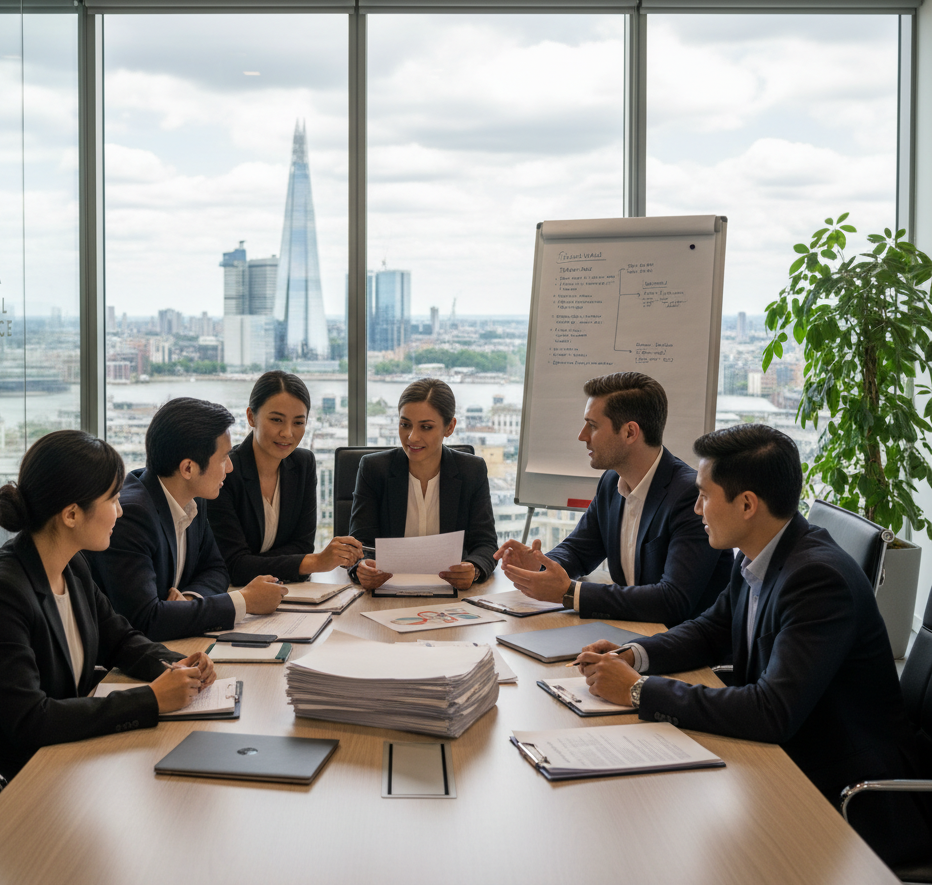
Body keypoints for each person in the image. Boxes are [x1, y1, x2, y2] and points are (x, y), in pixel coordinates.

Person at [577, 423, 932, 868]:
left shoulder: (817, 580)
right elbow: (710, 630)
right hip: (790, 760)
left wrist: (637, 690)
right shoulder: (758, 552)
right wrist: (634, 655)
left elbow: (770, 712)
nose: (696, 507)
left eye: (704, 495)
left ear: (747, 504)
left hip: (852, 797)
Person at [0, 430, 215, 857]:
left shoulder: (71, 566)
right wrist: (152, 699)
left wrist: (176, 665)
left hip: (53, 765)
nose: (120, 511)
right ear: (72, 514)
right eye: (113, 499)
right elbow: (31, 720)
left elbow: (121, 639)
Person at [494, 372, 730, 626]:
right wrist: (542, 565)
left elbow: (672, 600)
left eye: (593, 426)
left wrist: (571, 593)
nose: (582, 435)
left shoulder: (689, 495)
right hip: (629, 632)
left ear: (629, 432)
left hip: (679, 643)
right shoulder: (611, 482)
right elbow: (579, 550)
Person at [87, 397, 287, 641]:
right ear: (188, 468)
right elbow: (145, 620)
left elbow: (216, 569)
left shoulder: (194, 498)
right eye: (223, 458)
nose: (230, 467)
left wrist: (190, 600)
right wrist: (244, 601)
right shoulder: (131, 516)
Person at [207, 371, 363, 585]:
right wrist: (315, 562)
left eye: (298, 422)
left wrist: (253, 562)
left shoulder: (303, 464)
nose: (287, 433)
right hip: (234, 594)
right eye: (276, 420)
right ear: (251, 417)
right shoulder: (226, 472)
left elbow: (303, 546)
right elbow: (234, 566)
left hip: (287, 590)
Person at [349, 378, 497, 590]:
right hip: (386, 589)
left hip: (450, 591)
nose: (412, 437)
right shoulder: (374, 469)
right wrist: (363, 568)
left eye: (426, 427)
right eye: (405, 425)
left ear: (449, 427)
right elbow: (360, 543)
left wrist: (474, 569)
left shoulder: (472, 470)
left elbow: (486, 543)